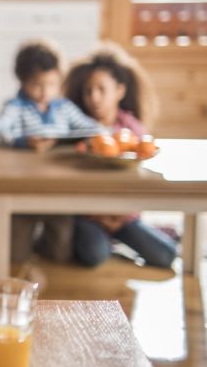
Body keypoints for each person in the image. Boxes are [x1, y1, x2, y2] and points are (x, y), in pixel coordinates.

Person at [0, 40, 102, 265]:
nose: (45, 92)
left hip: (59, 190)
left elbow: (95, 129)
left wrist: (74, 141)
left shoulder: (64, 108)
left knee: (60, 253)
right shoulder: (16, 107)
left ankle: (41, 241)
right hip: (22, 189)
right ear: (23, 81)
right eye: (37, 85)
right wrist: (21, 141)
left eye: (51, 84)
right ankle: (27, 237)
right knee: (15, 256)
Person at [64, 42, 177, 268]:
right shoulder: (77, 130)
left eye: (101, 89)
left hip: (123, 217)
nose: (94, 97)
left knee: (166, 255)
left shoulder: (133, 130)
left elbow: (143, 175)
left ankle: (117, 238)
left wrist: (117, 217)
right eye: (88, 91)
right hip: (87, 215)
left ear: (119, 91)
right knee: (95, 254)